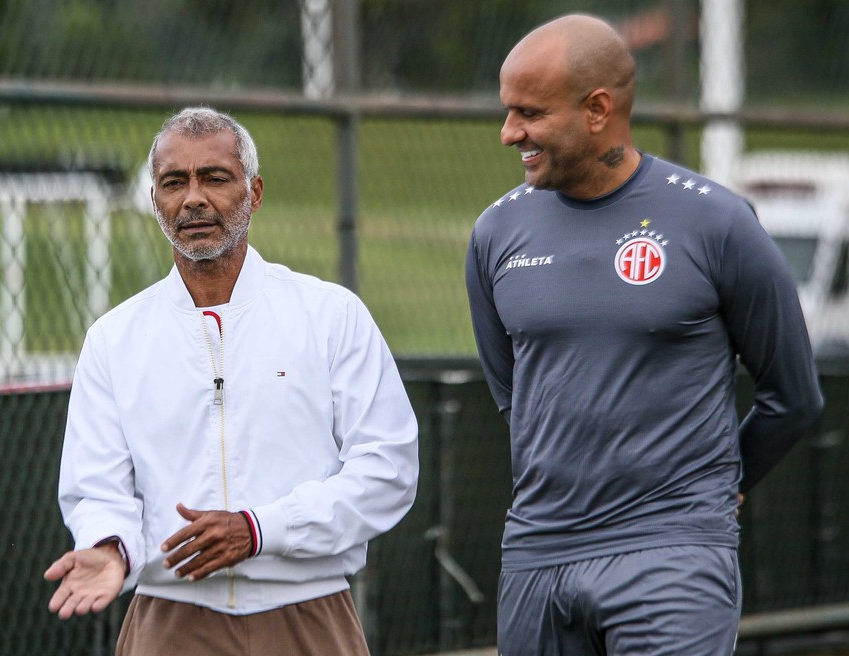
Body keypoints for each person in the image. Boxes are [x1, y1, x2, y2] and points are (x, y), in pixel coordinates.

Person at [465, 13, 824, 656]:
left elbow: (793, 396)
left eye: (529, 113)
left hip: (673, 554)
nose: (508, 132)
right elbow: (515, 398)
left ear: (598, 109)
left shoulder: (717, 221)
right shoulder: (495, 233)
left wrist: (714, 488)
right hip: (536, 554)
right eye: (507, 111)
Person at [44, 106, 418, 656]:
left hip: (308, 616)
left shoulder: (331, 315)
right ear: (155, 201)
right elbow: (96, 486)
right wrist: (109, 547)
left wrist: (261, 528)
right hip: (169, 620)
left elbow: (388, 469)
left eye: (215, 177)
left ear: (254, 193)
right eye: (174, 182)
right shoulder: (113, 338)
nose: (193, 198)